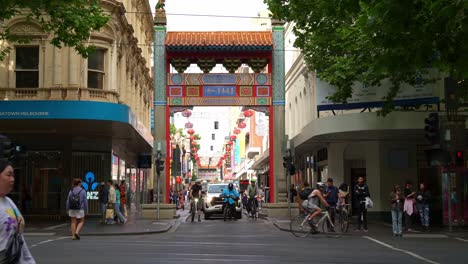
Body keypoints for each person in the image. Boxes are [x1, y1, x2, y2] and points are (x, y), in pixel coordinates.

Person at [0, 160, 36, 263]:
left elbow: (19, 239)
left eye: (13, 176)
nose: (12, 179)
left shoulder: (9, 201)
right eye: (8, 175)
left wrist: (29, 261)